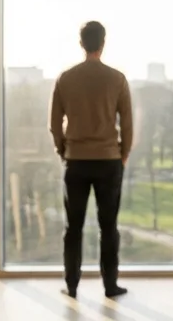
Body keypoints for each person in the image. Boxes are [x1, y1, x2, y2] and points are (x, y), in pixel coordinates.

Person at [49, 21, 133, 299]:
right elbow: (128, 124)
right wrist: (123, 155)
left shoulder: (66, 78)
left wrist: (64, 150)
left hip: (76, 161)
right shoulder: (117, 79)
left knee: (73, 227)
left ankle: (72, 284)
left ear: (81, 43)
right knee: (108, 226)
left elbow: (54, 122)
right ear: (103, 42)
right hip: (108, 161)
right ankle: (110, 285)